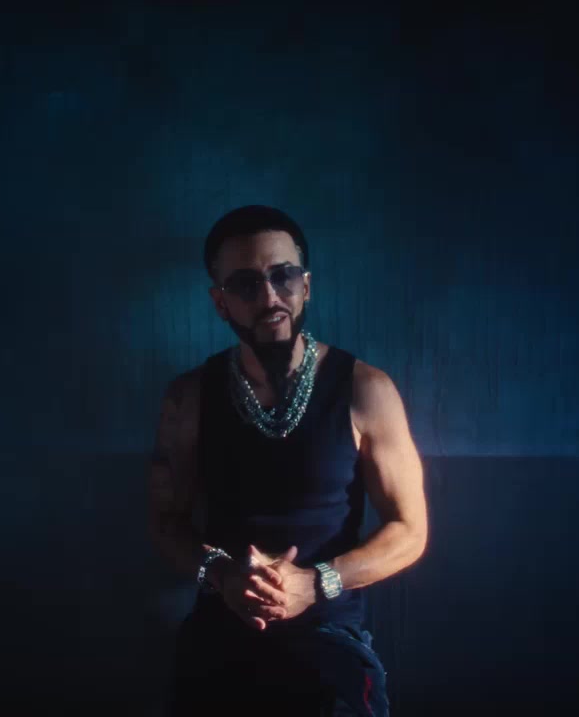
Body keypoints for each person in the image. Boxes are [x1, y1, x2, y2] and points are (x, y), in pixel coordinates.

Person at [148, 205, 428, 716]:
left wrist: (316, 583)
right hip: (221, 633)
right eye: (246, 284)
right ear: (220, 302)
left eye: (284, 276)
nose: (270, 297)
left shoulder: (367, 389)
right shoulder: (189, 398)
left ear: (307, 285)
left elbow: (410, 530)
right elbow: (166, 522)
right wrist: (223, 575)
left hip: (329, 636)